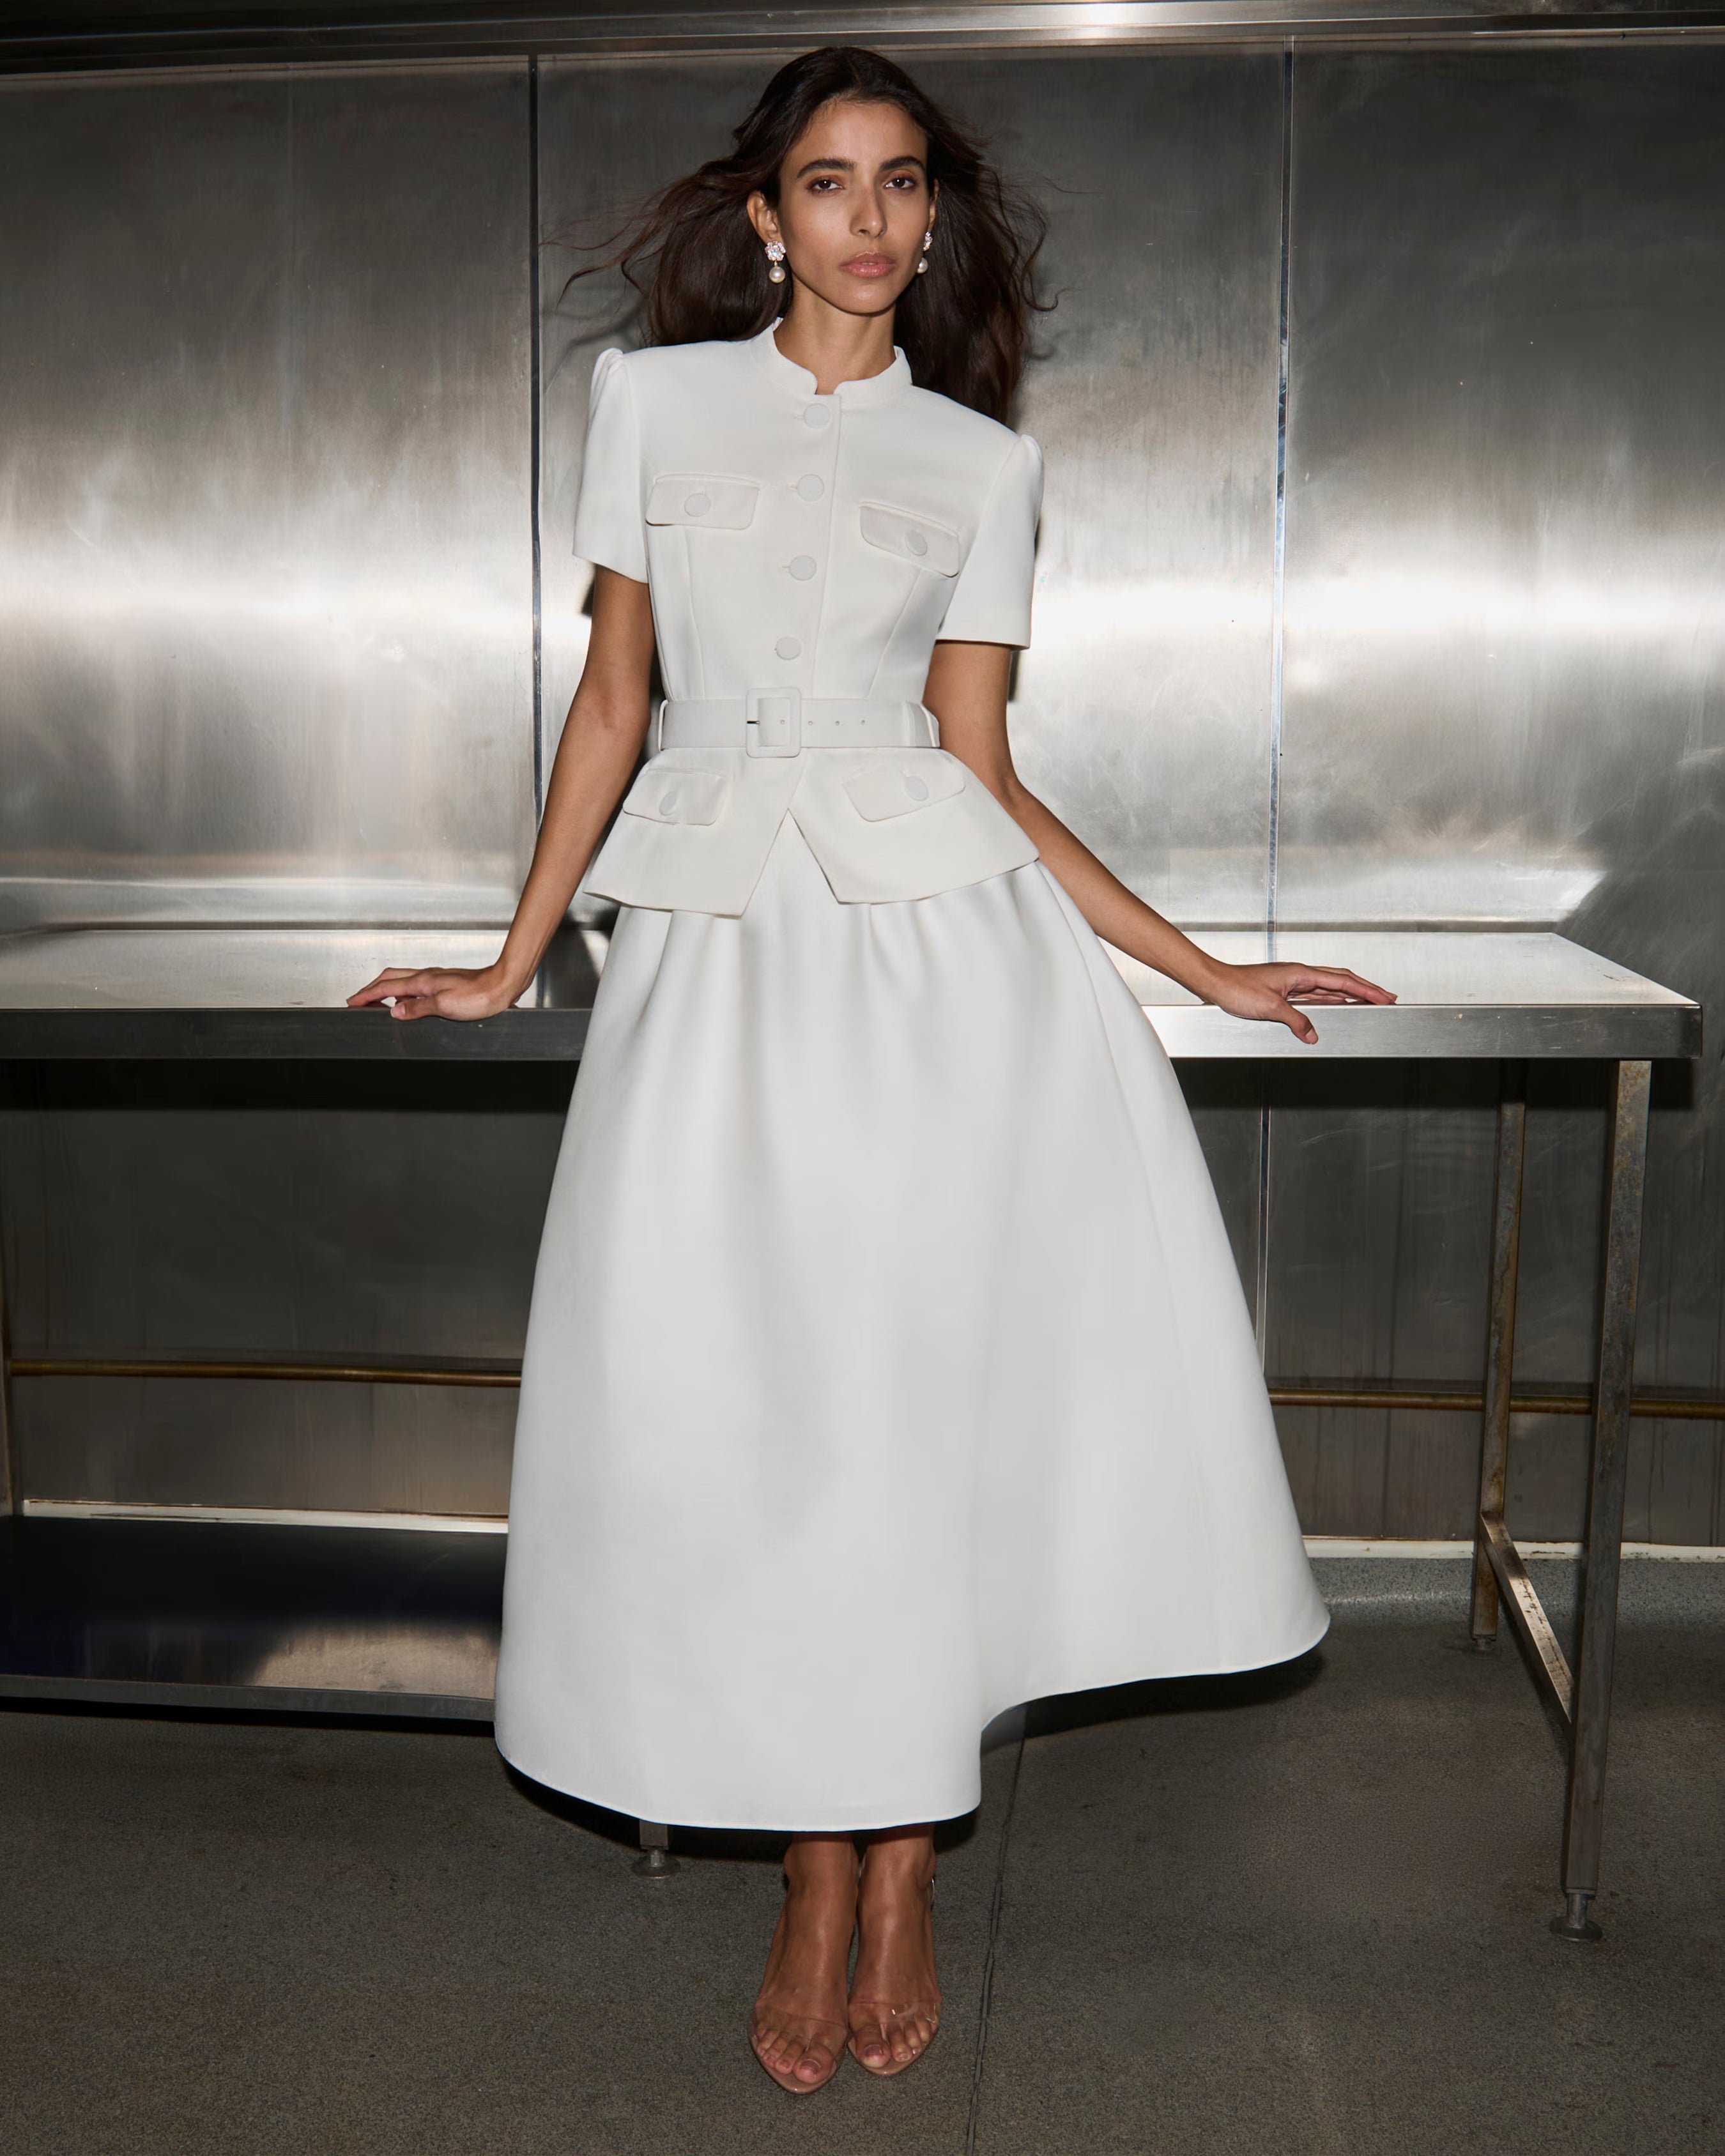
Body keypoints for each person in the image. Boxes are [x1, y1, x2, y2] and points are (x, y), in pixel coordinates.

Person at [349, 44, 1393, 2097]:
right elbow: (615, 699)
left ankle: (893, 1857)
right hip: (714, 963)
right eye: (826, 181)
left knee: (907, 1406)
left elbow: (976, 761)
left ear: (932, 215)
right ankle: (808, 1858)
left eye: (901, 181)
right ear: (764, 215)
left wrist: (1200, 963)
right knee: (749, 1406)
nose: (868, 217)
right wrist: (510, 957)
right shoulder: (648, 404)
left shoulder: (982, 464)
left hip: (940, 973)